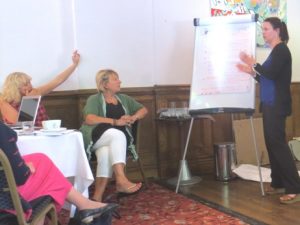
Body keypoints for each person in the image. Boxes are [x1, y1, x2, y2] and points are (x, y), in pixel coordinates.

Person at [0, 121, 117, 224]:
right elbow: (21, 177)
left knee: (40, 159)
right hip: (5, 202)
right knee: (47, 183)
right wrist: (24, 168)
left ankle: (85, 205)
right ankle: (85, 205)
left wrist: (21, 164)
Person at [236, 17, 300, 204]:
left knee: (278, 144)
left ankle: (294, 187)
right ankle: (278, 181)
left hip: (277, 104)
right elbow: (267, 79)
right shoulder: (275, 52)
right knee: (272, 144)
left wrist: (254, 64)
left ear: (277, 30)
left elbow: (270, 74)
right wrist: (252, 72)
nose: (263, 32)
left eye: (266, 29)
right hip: (270, 104)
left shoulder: (281, 50)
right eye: (262, 29)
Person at [80, 69, 148, 202]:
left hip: (114, 144)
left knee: (106, 153)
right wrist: (115, 122)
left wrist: (133, 118)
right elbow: (89, 119)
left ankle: (97, 198)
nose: (119, 81)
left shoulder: (124, 98)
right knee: (117, 134)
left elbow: (143, 109)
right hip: (95, 139)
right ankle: (121, 180)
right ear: (105, 84)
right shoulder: (94, 99)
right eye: (115, 79)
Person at [0, 51, 80, 127]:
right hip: (23, 137)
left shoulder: (35, 92)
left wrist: (74, 64)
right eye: (25, 84)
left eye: (29, 82)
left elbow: (58, 80)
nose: (30, 86)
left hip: (43, 132)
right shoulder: (5, 102)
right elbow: (23, 125)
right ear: (15, 88)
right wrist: (29, 101)